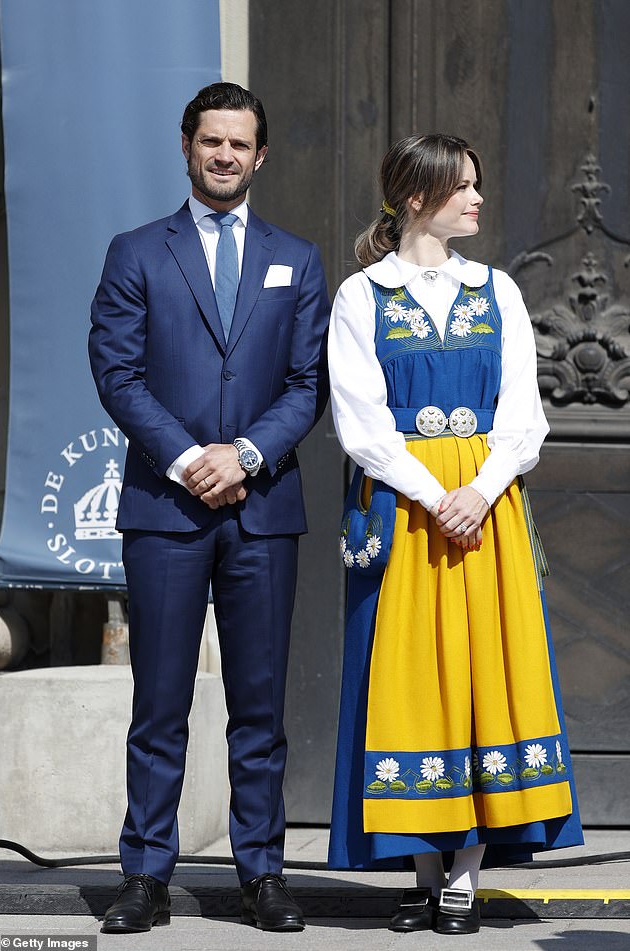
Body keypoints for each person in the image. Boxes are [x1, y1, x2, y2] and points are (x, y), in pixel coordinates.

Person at [326, 133, 583, 936]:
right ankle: (421, 866)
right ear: (416, 197)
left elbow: (523, 413)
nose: (477, 199)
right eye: (462, 187)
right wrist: (439, 495)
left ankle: (465, 873)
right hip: (408, 510)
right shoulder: (362, 295)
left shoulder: (496, 288)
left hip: (487, 508)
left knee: (482, 672)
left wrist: (478, 489)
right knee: (408, 677)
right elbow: (360, 422)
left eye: (476, 184)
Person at [89, 82, 330, 934]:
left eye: (240, 144)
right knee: (159, 701)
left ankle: (262, 871)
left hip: (263, 511)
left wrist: (247, 455)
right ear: (187, 147)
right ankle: (145, 873)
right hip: (167, 508)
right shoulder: (136, 253)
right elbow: (117, 372)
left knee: (258, 708)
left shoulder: (297, 259)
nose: (225, 155)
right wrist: (193, 459)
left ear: (261, 156)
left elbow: (309, 384)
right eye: (211, 141)